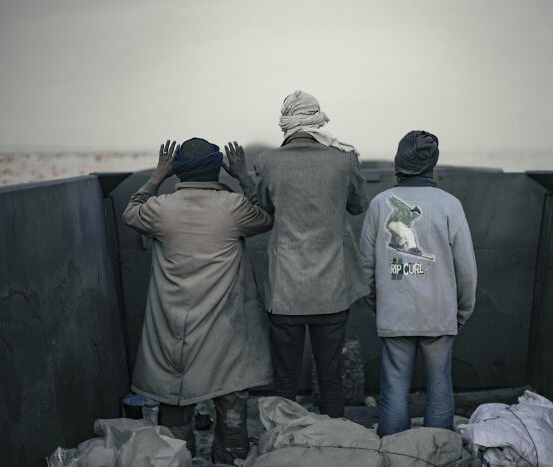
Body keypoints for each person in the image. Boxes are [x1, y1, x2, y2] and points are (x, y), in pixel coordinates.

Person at [121, 137, 273, 463]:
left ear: (177, 169)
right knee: (233, 417)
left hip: (174, 336)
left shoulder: (159, 209)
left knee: (174, 419)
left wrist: (156, 177)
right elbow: (266, 216)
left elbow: (130, 212)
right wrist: (244, 176)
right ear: (216, 167)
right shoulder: (233, 207)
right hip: (226, 337)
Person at [244, 90, 369, 418]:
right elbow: (357, 206)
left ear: (286, 120)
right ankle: (332, 443)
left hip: (286, 293)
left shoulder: (267, 162)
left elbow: (266, 211)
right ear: (317, 117)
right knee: (330, 378)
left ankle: (284, 444)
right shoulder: (345, 158)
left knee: (285, 379)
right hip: (331, 292)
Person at [358, 130, 477, 436]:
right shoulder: (450, 205)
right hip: (439, 313)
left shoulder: (380, 204)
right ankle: (437, 452)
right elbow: (466, 268)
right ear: (432, 163)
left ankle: (395, 453)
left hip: (394, 313)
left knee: (394, 387)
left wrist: (377, 304)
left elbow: (364, 266)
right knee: (440, 387)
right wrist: (461, 312)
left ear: (400, 162)